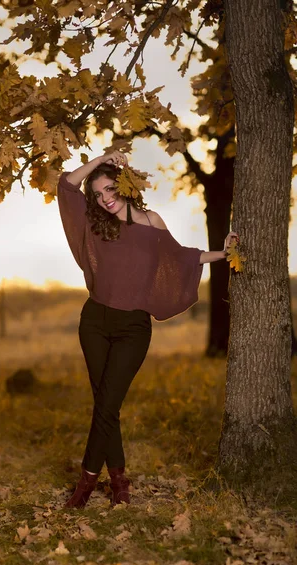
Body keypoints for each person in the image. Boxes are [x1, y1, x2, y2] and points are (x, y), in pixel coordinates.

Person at [57, 151, 239, 509]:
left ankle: (85, 486)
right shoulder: (94, 223)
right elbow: (66, 185)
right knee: (105, 405)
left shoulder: (151, 222)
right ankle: (120, 482)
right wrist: (102, 159)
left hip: (132, 329)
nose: (105, 199)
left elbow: (181, 256)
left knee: (108, 403)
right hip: (94, 322)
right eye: (98, 194)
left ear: (125, 186)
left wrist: (222, 253)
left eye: (110, 189)